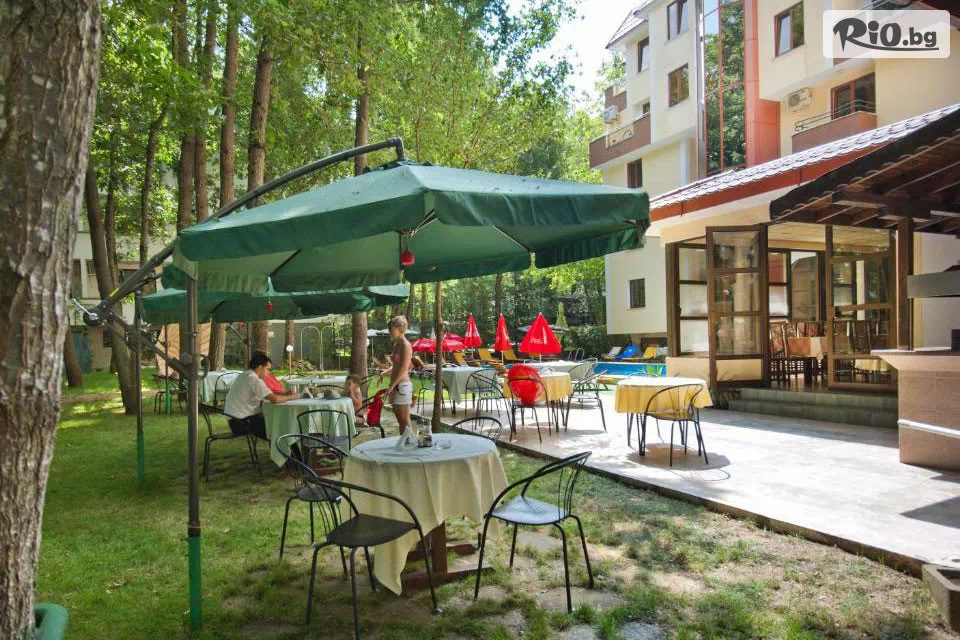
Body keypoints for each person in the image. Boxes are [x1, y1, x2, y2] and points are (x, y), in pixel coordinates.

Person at [224, 352, 298, 439]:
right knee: (281, 431)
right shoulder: (253, 379)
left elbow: (267, 393)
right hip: (243, 423)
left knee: (278, 425)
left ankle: (286, 444)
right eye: (267, 369)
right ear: (260, 367)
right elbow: (275, 399)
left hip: (235, 422)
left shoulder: (245, 375)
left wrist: (284, 393)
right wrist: (295, 397)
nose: (268, 373)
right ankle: (291, 445)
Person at [380, 315, 414, 434]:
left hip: (402, 386)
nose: (389, 331)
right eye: (389, 328)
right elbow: (396, 366)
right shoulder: (397, 345)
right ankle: (404, 441)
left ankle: (410, 442)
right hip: (394, 386)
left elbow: (404, 369)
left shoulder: (406, 345)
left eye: (391, 328)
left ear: (400, 328)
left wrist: (391, 386)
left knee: (405, 421)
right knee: (400, 421)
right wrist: (384, 372)